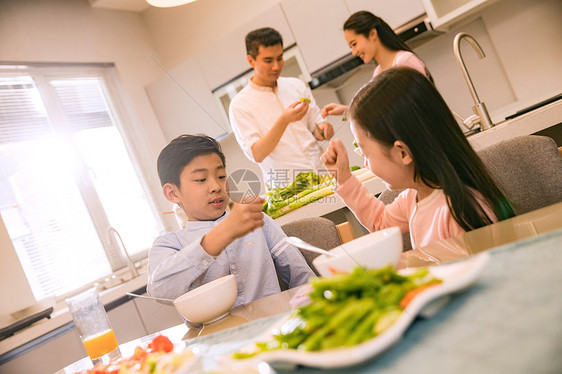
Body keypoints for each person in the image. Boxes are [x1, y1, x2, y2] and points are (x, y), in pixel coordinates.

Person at [321, 67, 514, 250]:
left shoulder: (460, 212)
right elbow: (380, 222)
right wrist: (344, 177)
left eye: (366, 154)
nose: (365, 163)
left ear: (402, 152)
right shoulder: (414, 198)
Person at [147, 134, 315, 307]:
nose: (217, 187)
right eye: (201, 180)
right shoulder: (169, 244)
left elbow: (302, 278)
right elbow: (161, 290)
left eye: (221, 176)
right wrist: (226, 230)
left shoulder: (257, 221)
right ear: (172, 193)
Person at [229, 27, 334, 189]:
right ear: (251, 61)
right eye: (268, 60)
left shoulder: (296, 85)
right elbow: (257, 153)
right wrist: (284, 120)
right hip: (288, 187)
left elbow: (316, 127)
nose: (276, 66)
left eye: (280, 58)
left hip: (324, 176)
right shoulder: (240, 105)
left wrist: (323, 129)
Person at [321, 11, 433, 118]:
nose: (354, 52)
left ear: (372, 34)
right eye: (351, 47)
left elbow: (427, 106)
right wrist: (347, 110)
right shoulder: (377, 73)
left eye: (354, 44)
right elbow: (380, 114)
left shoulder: (405, 61)